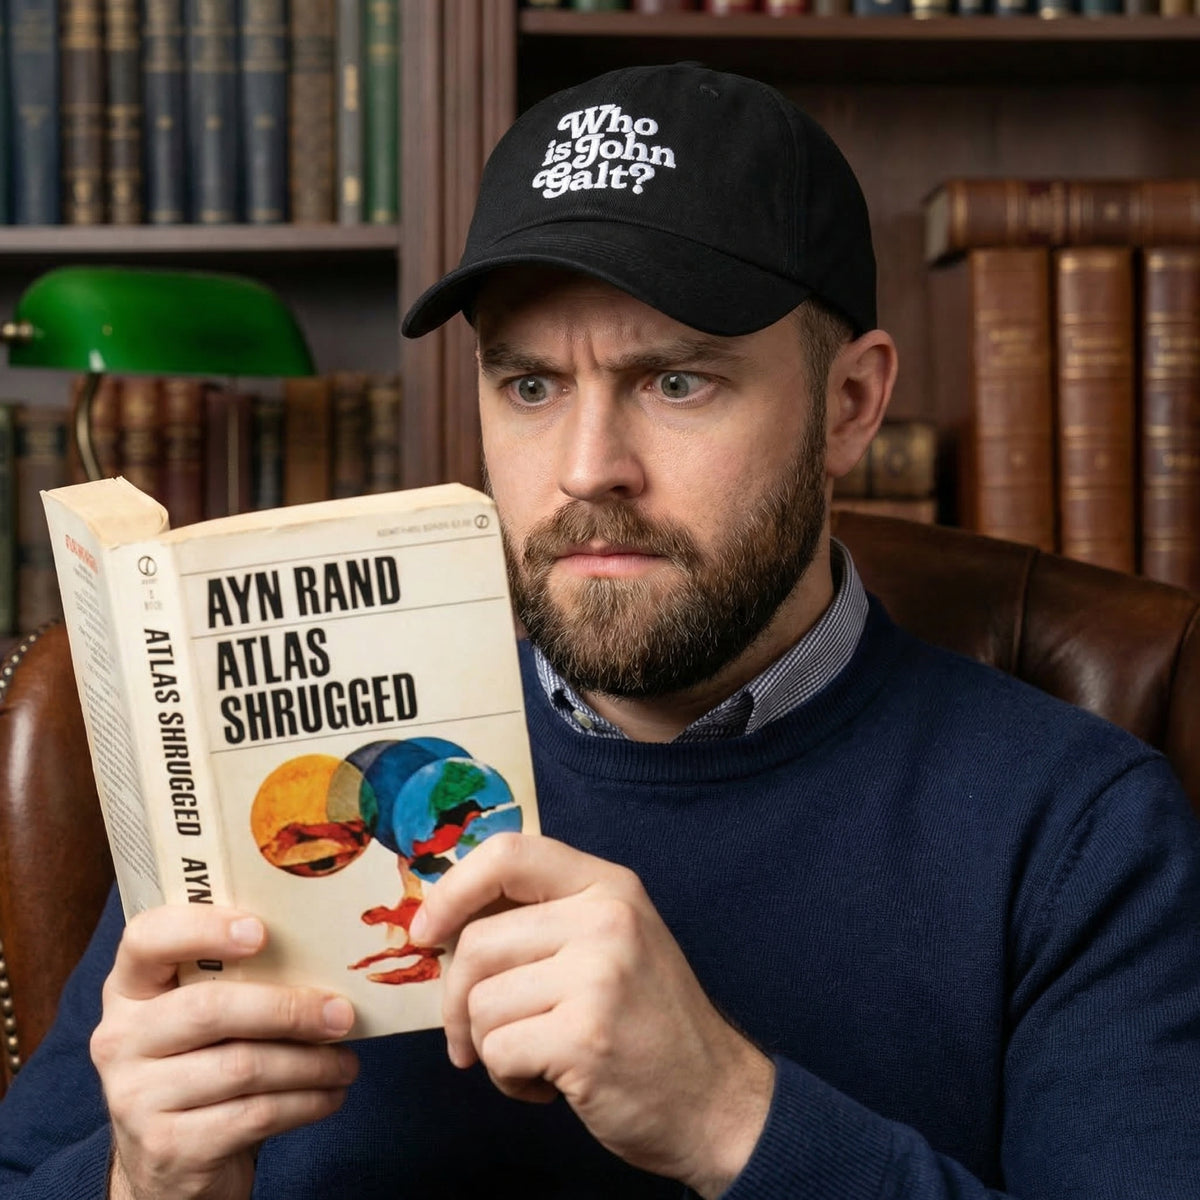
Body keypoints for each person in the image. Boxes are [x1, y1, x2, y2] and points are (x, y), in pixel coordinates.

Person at [3, 62, 1200, 1200]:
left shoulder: (1082, 830)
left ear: (850, 406)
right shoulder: (278, 770)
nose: (587, 471)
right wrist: (147, 1178)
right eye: (530, 387)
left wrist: (732, 1114)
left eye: (677, 381)